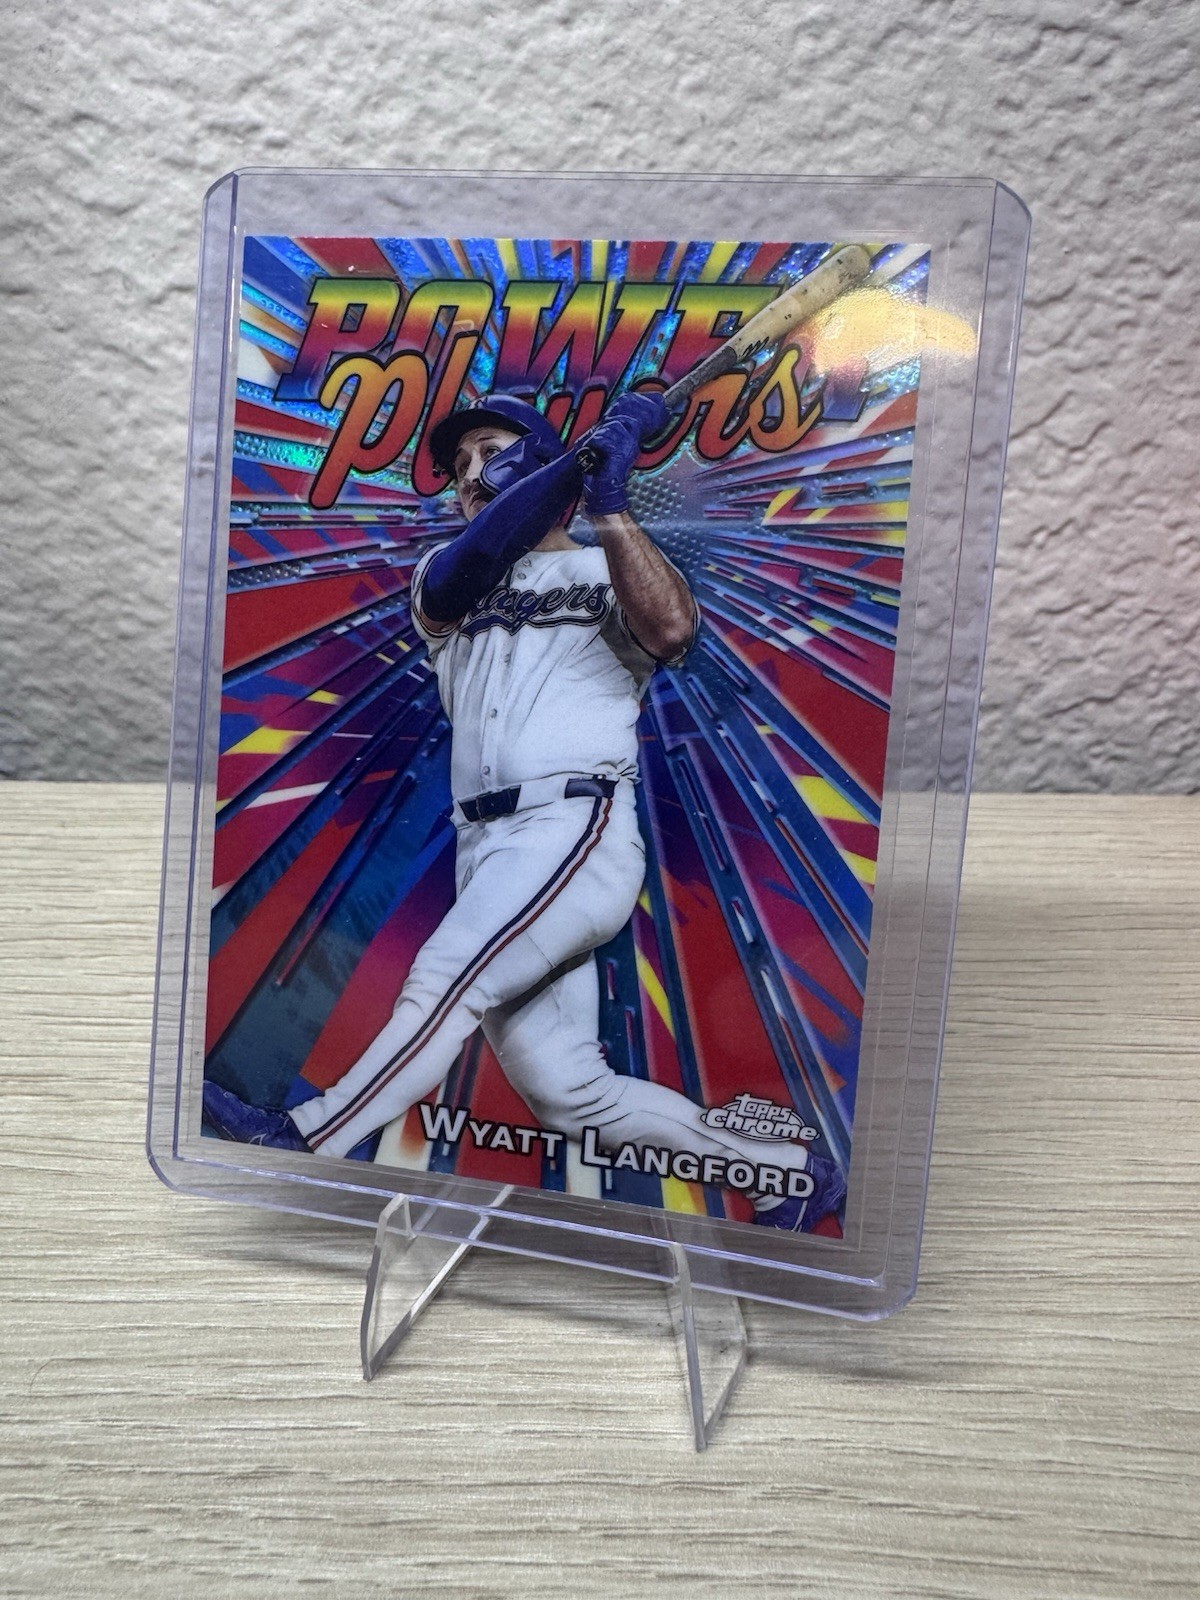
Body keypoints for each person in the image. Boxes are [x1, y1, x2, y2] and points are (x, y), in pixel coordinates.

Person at [204, 391, 845, 1232]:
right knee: (570, 1094)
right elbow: (478, 554)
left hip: (571, 824)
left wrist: (607, 500)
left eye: (490, 452)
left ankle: (308, 1137)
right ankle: (787, 1178)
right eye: (458, 465)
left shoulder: (608, 568)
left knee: (446, 979)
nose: (469, 475)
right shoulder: (447, 575)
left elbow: (671, 631)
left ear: (542, 461)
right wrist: (571, 463)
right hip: (486, 844)